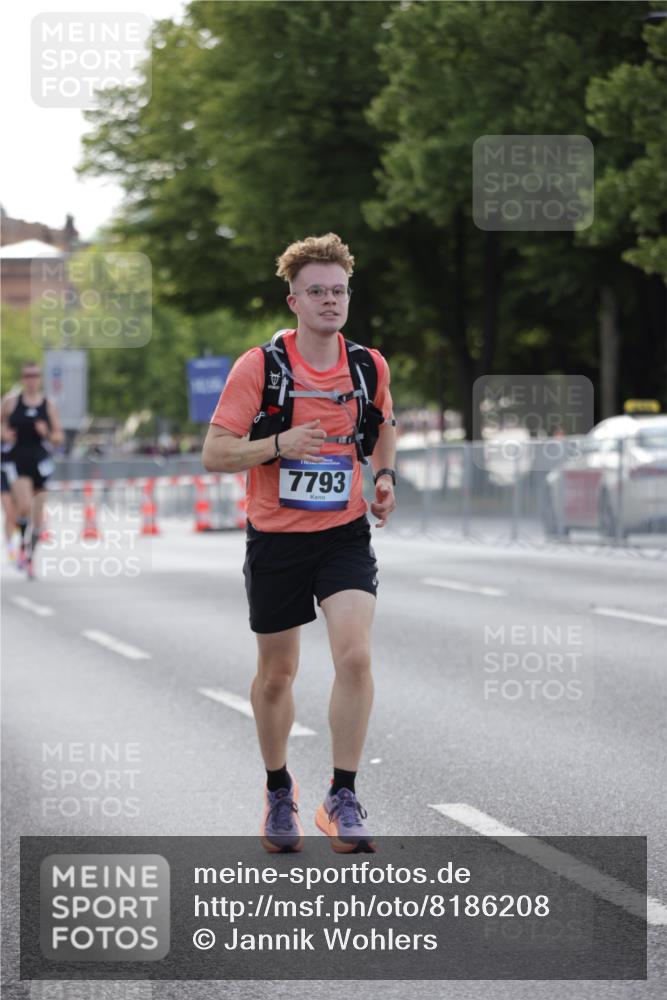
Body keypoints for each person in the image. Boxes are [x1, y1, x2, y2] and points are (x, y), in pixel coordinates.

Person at [203, 233, 397, 854]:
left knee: (356, 658)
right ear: (294, 300)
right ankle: (278, 789)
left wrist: (384, 477)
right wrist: (279, 445)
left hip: (343, 533)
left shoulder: (367, 365)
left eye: (339, 291)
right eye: (317, 292)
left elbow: (383, 426)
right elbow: (214, 454)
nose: (330, 301)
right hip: (277, 539)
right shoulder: (258, 368)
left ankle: (341, 795)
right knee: (277, 675)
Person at [0, 363, 63, 578]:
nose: (31, 379)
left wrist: (46, 433)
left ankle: (29, 557)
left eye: (35, 375)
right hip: (17, 461)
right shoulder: (10, 403)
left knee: (38, 520)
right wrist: (4, 433)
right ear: (22, 378)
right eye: (27, 375)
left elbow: (58, 437)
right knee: (24, 506)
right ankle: (16, 549)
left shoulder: (49, 406)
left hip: (40, 463)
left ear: (40, 379)